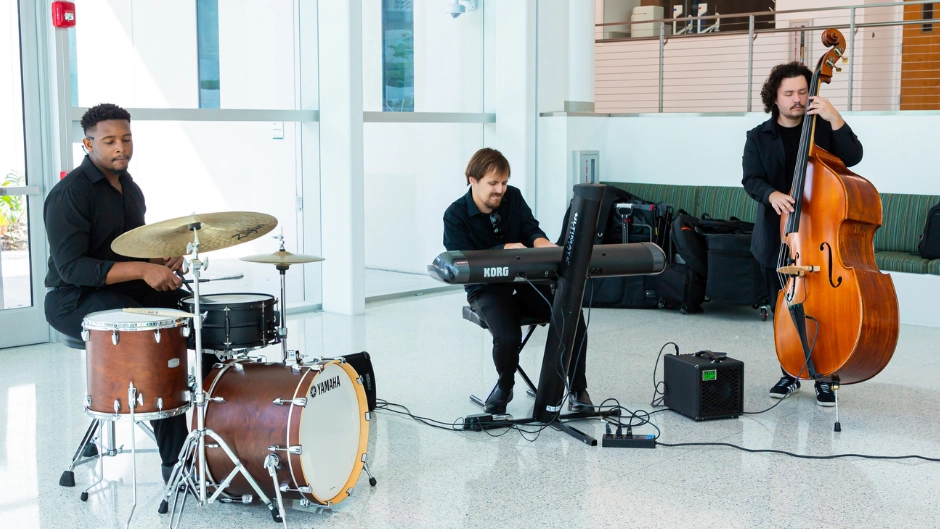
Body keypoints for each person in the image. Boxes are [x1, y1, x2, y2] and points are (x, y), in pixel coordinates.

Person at [44, 103, 213, 484]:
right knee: (155, 340)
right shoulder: (69, 194)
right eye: (109, 141)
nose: (121, 147)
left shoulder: (130, 187)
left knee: (206, 321)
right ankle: (176, 462)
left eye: (126, 138)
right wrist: (142, 269)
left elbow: (128, 247)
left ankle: (226, 431)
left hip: (124, 289)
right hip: (73, 298)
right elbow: (73, 268)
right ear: (88, 144)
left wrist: (161, 258)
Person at [742, 62, 864, 406]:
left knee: (823, 310)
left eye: (802, 91)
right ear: (774, 98)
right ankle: (790, 371)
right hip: (779, 239)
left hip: (820, 239)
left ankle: (824, 375)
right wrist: (771, 194)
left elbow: (854, 156)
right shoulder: (758, 136)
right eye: (788, 93)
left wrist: (835, 117)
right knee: (784, 308)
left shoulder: (823, 131)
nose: (797, 99)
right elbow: (751, 179)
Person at [442, 148, 592, 415]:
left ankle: (578, 389)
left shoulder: (514, 197)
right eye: (493, 183)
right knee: (509, 336)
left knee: (571, 311)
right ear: (472, 180)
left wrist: (542, 243)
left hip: (525, 282)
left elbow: (530, 228)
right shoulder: (455, 215)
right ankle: (505, 385)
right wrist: (502, 252)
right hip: (486, 290)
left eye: (504, 182)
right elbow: (462, 259)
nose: (500, 189)